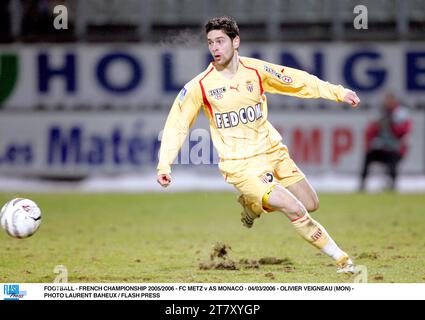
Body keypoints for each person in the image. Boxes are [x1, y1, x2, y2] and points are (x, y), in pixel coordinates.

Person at [156, 16, 360, 274]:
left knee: (310, 203)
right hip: (240, 165)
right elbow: (177, 124)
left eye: (220, 41)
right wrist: (165, 164)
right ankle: (343, 261)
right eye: (210, 43)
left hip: (273, 151)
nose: (215, 48)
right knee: (294, 208)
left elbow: (297, 80)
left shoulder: (256, 71)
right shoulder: (200, 86)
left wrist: (338, 92)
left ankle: (252, 205)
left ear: (236, 41)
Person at [360, 93, 411, 191]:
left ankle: (392, 185)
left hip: (395, 148)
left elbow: (405, 132)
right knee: (368, 155)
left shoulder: (401, 114)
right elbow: (370, 132)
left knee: (392, 160)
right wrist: (377, 126)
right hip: (381, 147)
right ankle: (362, 184)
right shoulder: (379, 113)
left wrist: (392, 125)